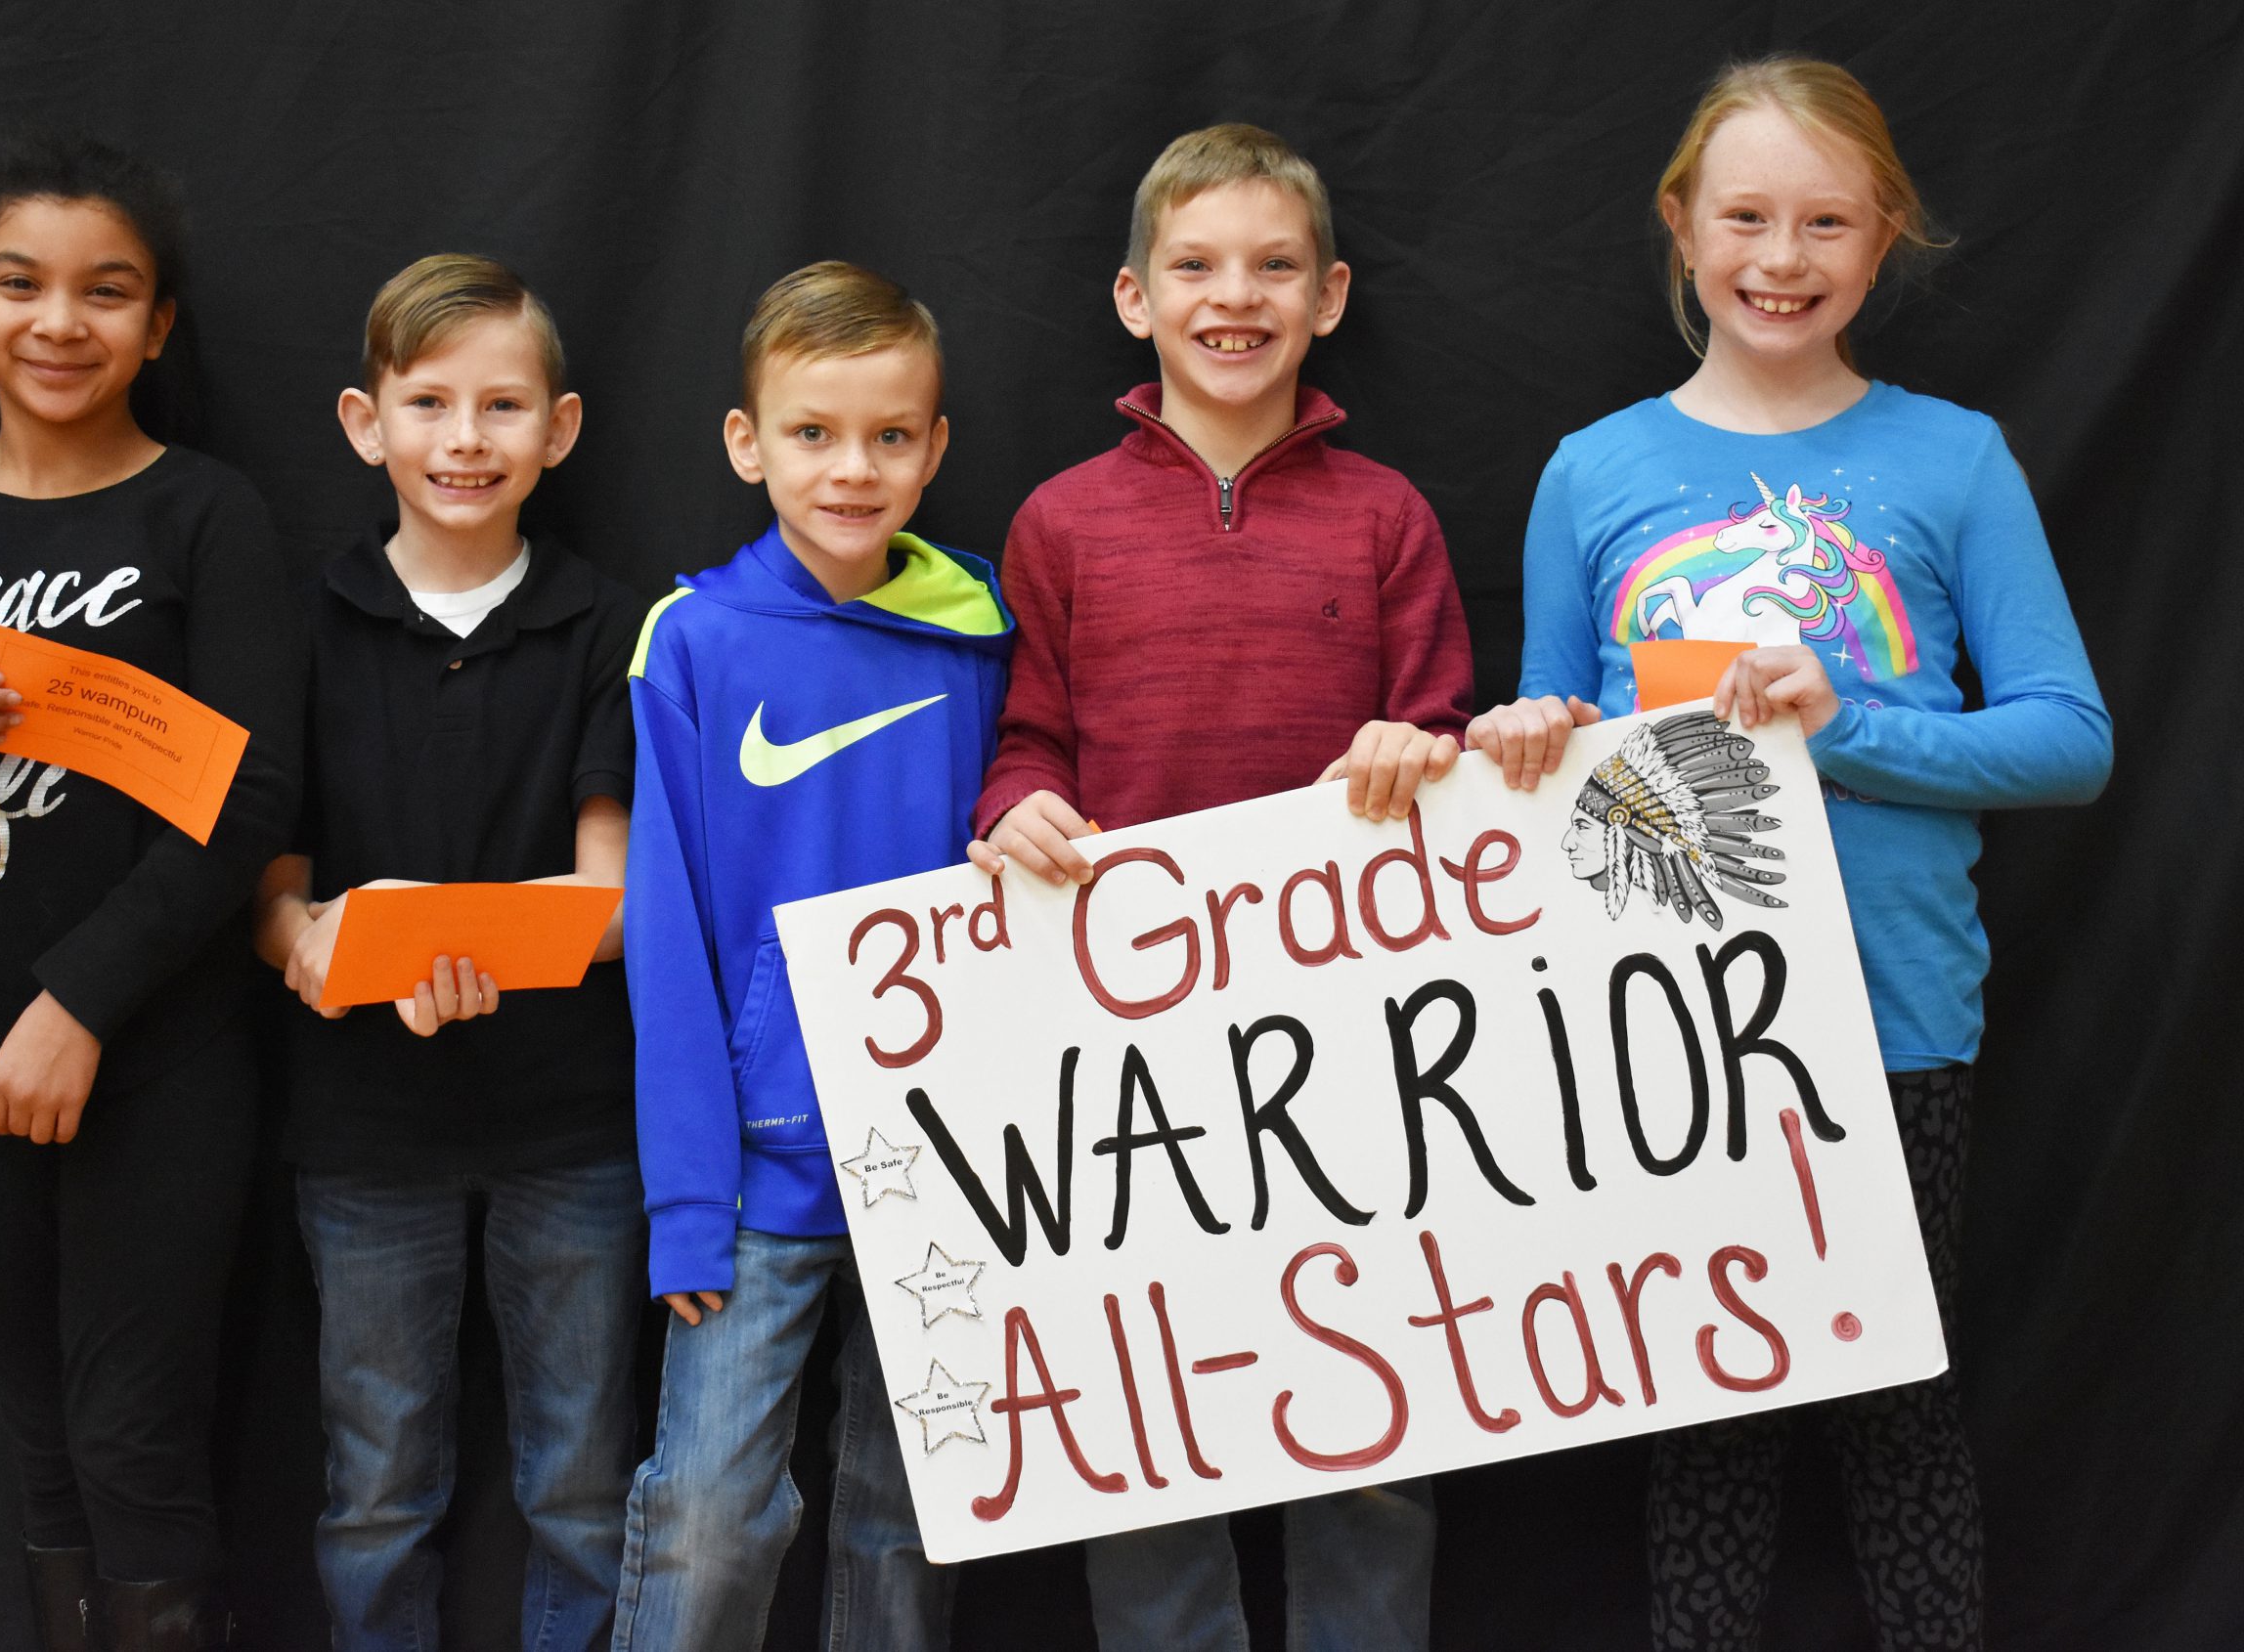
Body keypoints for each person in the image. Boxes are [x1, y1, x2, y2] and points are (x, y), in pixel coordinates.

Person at [1463, 55, 2111, 1651]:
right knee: (1705, 1418)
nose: (1783, 256)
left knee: (1898, 1406)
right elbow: (1551, 728)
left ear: (1883, 237)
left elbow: (2069, 738)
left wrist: (1851, 727)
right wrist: (1524, 736)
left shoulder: (1952, 460)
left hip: (1893, 1019)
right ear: (1682, 227)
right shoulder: (1592, 469)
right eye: (1746, 215)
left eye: (1827, 221)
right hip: (1664, 1029)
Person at [968, 122, 1474, 1652]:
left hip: (1359, 1034)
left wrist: (1421, 746)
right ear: (1135, 297)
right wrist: (1019, 811)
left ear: (1327, 295)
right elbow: (1026, 740)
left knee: (1375, 1430)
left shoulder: (1388, 515)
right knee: (1151, 1423)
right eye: (1194, 266)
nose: (1230, 297)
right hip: (1133, 1048)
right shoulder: (1060, 520)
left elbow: (1450, 741)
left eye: (1269, 267)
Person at [0, 131, 301, 1650]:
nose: (59, 322)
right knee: (36, 1443)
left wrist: (82, 997)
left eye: (108, 291)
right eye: (20, 285)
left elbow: (252, 798)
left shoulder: (206, 515)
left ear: (158, 326)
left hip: (152, 1048)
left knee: (135, 1435)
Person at [613, 261, 1012, 1652]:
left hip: (949, 1167)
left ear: (936, 447)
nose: (854, 468)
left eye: (891, 436)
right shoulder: (695, 640)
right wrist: (684, 1193)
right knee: (711, 1519)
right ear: (747, 443)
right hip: (757, 1178)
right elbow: (663, 941)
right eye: (813, 433)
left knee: (906, 1525)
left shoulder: (983, 629)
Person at [253, 254, 645, 1652]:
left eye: (501, 405)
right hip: (364, 1129)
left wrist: (473, 937)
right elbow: (271, 888)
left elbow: (609, 904)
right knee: (373, 1488)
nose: (465, 439)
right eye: (429, 403)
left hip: (573, 1124)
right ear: (367, 423)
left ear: (563, 427)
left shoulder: (613, 624)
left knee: (586, 1488)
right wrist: (318, 946)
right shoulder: (301, 621)